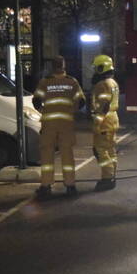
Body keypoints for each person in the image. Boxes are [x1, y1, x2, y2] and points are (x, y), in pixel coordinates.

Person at [31, 56, 84, 199]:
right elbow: (82, 101)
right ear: (64, 66)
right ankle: (70, 186)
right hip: (66, 124)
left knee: (47, 154)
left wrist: (44, 110)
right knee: (67, 154)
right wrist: (71, 110)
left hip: (49, 124)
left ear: (52, 66)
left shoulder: (45, 82)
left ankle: (46, 186)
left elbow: (36, 101)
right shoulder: (72, 82)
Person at [90, 54, 120, 191]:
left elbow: (103, 106)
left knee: (100, 150)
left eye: (97, 68)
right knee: (111, 149)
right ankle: (112, 176)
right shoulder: (113, 83)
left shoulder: (102, 85)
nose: (95, 70)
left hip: (105, 121)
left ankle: (107, 179)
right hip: (113, 119)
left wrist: (97, 124)